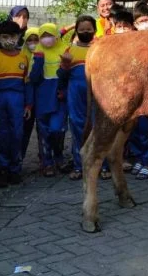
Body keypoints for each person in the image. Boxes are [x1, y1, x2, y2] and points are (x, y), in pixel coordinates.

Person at [0, 21, 30, 188]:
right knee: (1, 134)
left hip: (18, 100)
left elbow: (27, 84)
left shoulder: (23, 57)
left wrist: (28, 105)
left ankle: (15, 169)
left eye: (13, 36)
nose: (9, 40)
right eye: (5, 36)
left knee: (17, 134)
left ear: (19, 37)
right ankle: (2, 169)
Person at [58, 16, 97, 181]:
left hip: (97, 94)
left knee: (98, 128)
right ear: (76, 31)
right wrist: (65, 67)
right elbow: (61, 77)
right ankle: (78, 166)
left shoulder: (100, 48)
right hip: (75, 93)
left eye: (89, 29)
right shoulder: (69, 51)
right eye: (82, 30)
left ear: (95, 30)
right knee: (77, 128)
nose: (85, 32)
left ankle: (100, 166)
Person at [29, 23, 70, 176]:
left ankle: (59, 157)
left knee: (56, 129)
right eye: (43, 36)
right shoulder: (37, 51)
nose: (47, 39)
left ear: (56, 35)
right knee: (44, 132)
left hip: (59, 96)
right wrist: (38, 62)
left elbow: (69, 75)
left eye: (49, 35)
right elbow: (33, 78)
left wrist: (64, 92)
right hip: (42, 96)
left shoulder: (65, 49)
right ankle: (47, 162)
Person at [128, 2, 148, 179]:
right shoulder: (131, 42)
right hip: (134, 92)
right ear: (135, 24)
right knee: (134, 128)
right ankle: (139, 157)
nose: (146, 23)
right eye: (142, 20)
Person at [20, 27, 40, 162]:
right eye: (29, 40)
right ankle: (19, 157)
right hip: (26, 98)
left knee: (44, 129)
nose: (33, 43)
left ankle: (45, 158)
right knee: (24, 129)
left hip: (42, 96)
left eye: (36, 40)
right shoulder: (21, 57)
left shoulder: (47, 55)